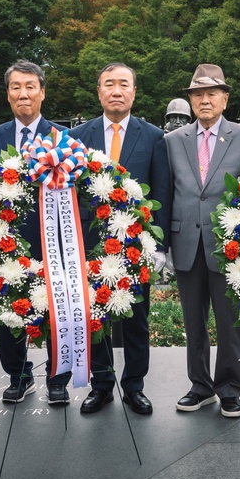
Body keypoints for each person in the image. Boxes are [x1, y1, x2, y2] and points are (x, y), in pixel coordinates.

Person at [68, 63, 171, 415]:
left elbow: (162, 191)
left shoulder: (155, 137)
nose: (116, 90)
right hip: (91, 241)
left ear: (134, 92)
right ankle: (101, 386)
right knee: (95, 316)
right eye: (108, 84)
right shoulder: (78, 136)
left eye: (123, 84)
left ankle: (134, 386)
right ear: (98, 92)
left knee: (136, 319)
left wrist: (160, 247)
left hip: (135, 243)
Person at [165, 64, 240, 418]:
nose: (204, 100)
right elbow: (169, 190)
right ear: (190, 101)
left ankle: (230, 388)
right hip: (186, 241)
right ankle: (200, 386)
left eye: (211, 93)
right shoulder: (173, 141)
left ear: (225, 98)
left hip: (229, 246)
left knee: (230, 321)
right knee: (194, 321)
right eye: (197, 95)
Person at [0, 60, 71, 406]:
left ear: (42, 92)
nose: (23, 93)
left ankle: (58, 378)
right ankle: (18, 375)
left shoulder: (63, 137)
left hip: (54, 240)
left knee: (56, 309)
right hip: (6, 242)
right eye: (16, 87)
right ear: (8, 94)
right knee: (10, 309)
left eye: (30, 86)